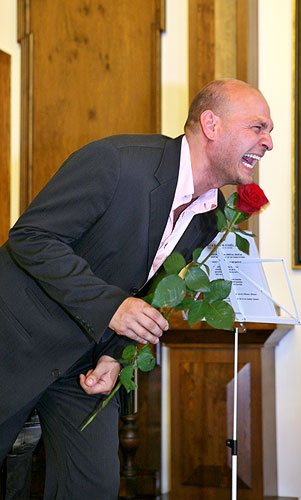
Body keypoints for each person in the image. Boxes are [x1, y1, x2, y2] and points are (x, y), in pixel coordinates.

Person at [0, 78, 273, 499]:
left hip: (85, 365)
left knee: (93, 487)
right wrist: (111, 307)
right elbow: (31, 238)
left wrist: (113, 354)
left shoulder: (211, 215)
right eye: (258, 127)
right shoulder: (115, 161)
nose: (268, 141)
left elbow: (145, 292)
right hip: (16, 342)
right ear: (211, 124)